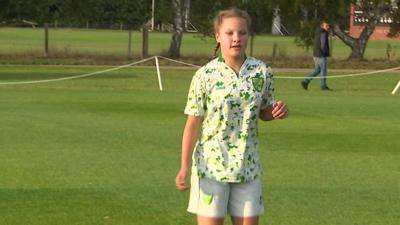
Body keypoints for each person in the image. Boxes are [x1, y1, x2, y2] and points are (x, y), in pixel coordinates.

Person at [175, 8, 289, 225]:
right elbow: (193, 124)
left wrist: (276, 112)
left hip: (248, 166)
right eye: (230, 33)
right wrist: (184, 166)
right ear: (218, 36)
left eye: (242, 32)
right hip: (211, 168)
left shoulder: (261, 71)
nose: (236, 38)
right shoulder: (205, 75)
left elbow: (264, 111)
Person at [301, 20, 332, 91]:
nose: (328, 27)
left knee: (317, 70)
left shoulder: (318, 32)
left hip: (315, 54)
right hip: (321, 55)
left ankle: (305, 81)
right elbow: (323, 44)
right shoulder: (323, 33)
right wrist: (326, 53)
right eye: (326, 26)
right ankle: (323, 86)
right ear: (322, 26)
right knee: (323, 70)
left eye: (328, 26)